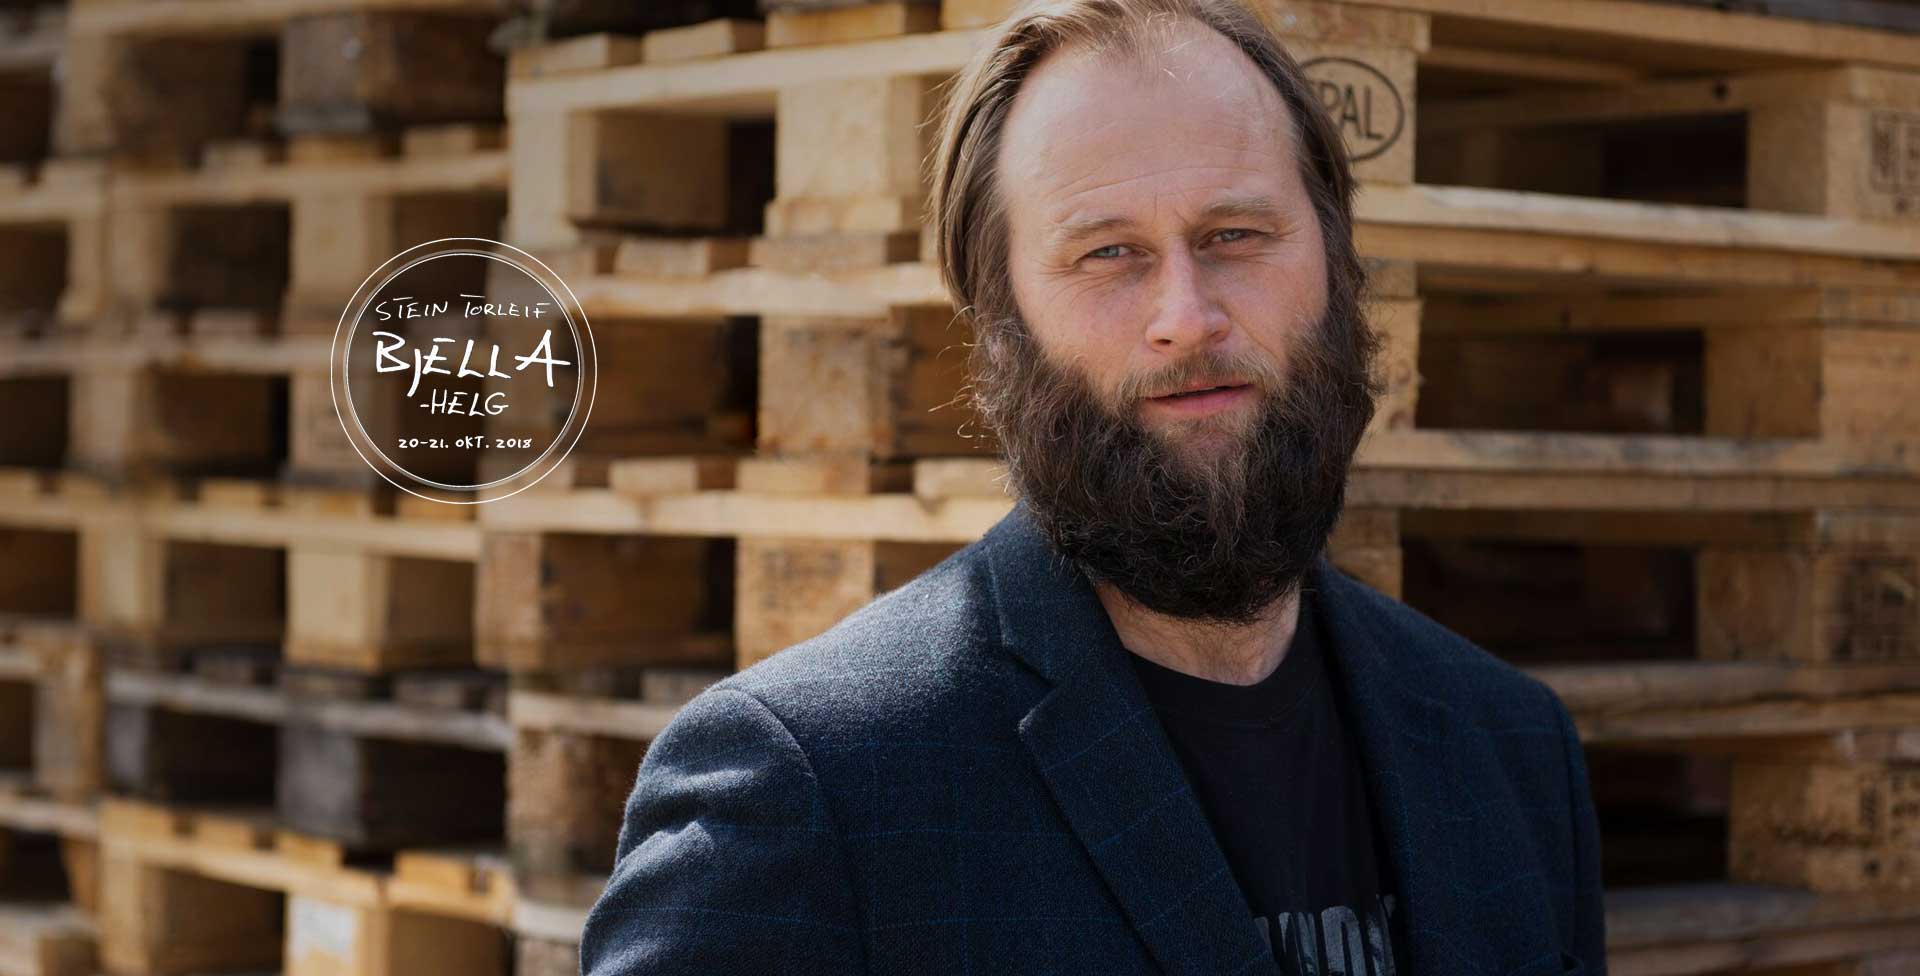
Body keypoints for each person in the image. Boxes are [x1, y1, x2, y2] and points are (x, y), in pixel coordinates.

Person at [578, 0, 1605, 972]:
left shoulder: (1512, 749)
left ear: (1339, 264)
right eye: (1108, 253)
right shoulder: (806, 788)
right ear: (1000, 326)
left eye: (1236, 236)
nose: (1186, 317)